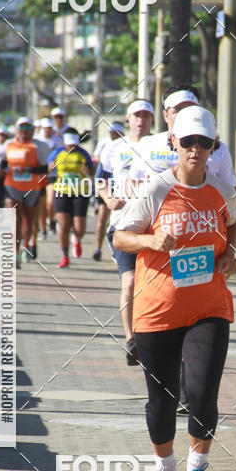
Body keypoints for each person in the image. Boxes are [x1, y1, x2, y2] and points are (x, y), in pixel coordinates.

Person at [113, 105, 236, 471]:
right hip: (158, 310)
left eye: (205, 143)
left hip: (209, 306)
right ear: (174, 143)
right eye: (188, 142)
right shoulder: (154, 189)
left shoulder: (222, 190)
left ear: (214, 146)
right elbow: (120, 238)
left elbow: (232, 226)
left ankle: (197, 470)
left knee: (202, 395)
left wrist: (231, 254)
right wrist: (150, 243)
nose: (196, 150)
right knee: (162, 402)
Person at [98, 100, 154, 364]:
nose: (141, 120)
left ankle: (153, 337)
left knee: (153, 287)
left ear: (154, 120)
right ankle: (131, 340)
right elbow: (100, 180)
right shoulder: (115, 147)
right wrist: (109, 200)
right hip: (122, 226)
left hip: (156, 228)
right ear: (128, 119)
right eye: (136, 115)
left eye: (146, 115)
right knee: (130, 282)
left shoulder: (162, 147)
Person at [3, 117, 49, 268]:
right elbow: (2, 163)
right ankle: (14, 254)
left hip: (32, 188)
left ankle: (26, 245)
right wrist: (1, 170)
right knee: (15, 219)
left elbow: (44, 169)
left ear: (33, 130)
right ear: (16, 130)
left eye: (28, 128)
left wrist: (28, 169)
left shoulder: (39, 146)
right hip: (12, 186)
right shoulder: (8, 145)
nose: (24, 131)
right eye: (21, 128)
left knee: (29, 223)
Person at [48, 126, 94, 268]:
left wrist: (87, 171)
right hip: (62, 192)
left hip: (80, 193)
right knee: (63, 226)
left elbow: (92, 172)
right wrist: (51, 167)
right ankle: (65, 256)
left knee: (79, 228)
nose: (72, 145)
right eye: (69, 142)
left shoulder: (83, 154)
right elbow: (48, 168)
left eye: (74, 143)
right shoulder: (57, 153)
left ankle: (76, 238)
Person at [92, 122, 126, 262]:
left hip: (122, 190)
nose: (114, 135)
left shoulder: (129, 145)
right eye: (112, 132)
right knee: (102, 218)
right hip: (107, 186)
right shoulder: (105, 144)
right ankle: (98, 248)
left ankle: (117, 248)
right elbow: (98, 172)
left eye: (117, 133)